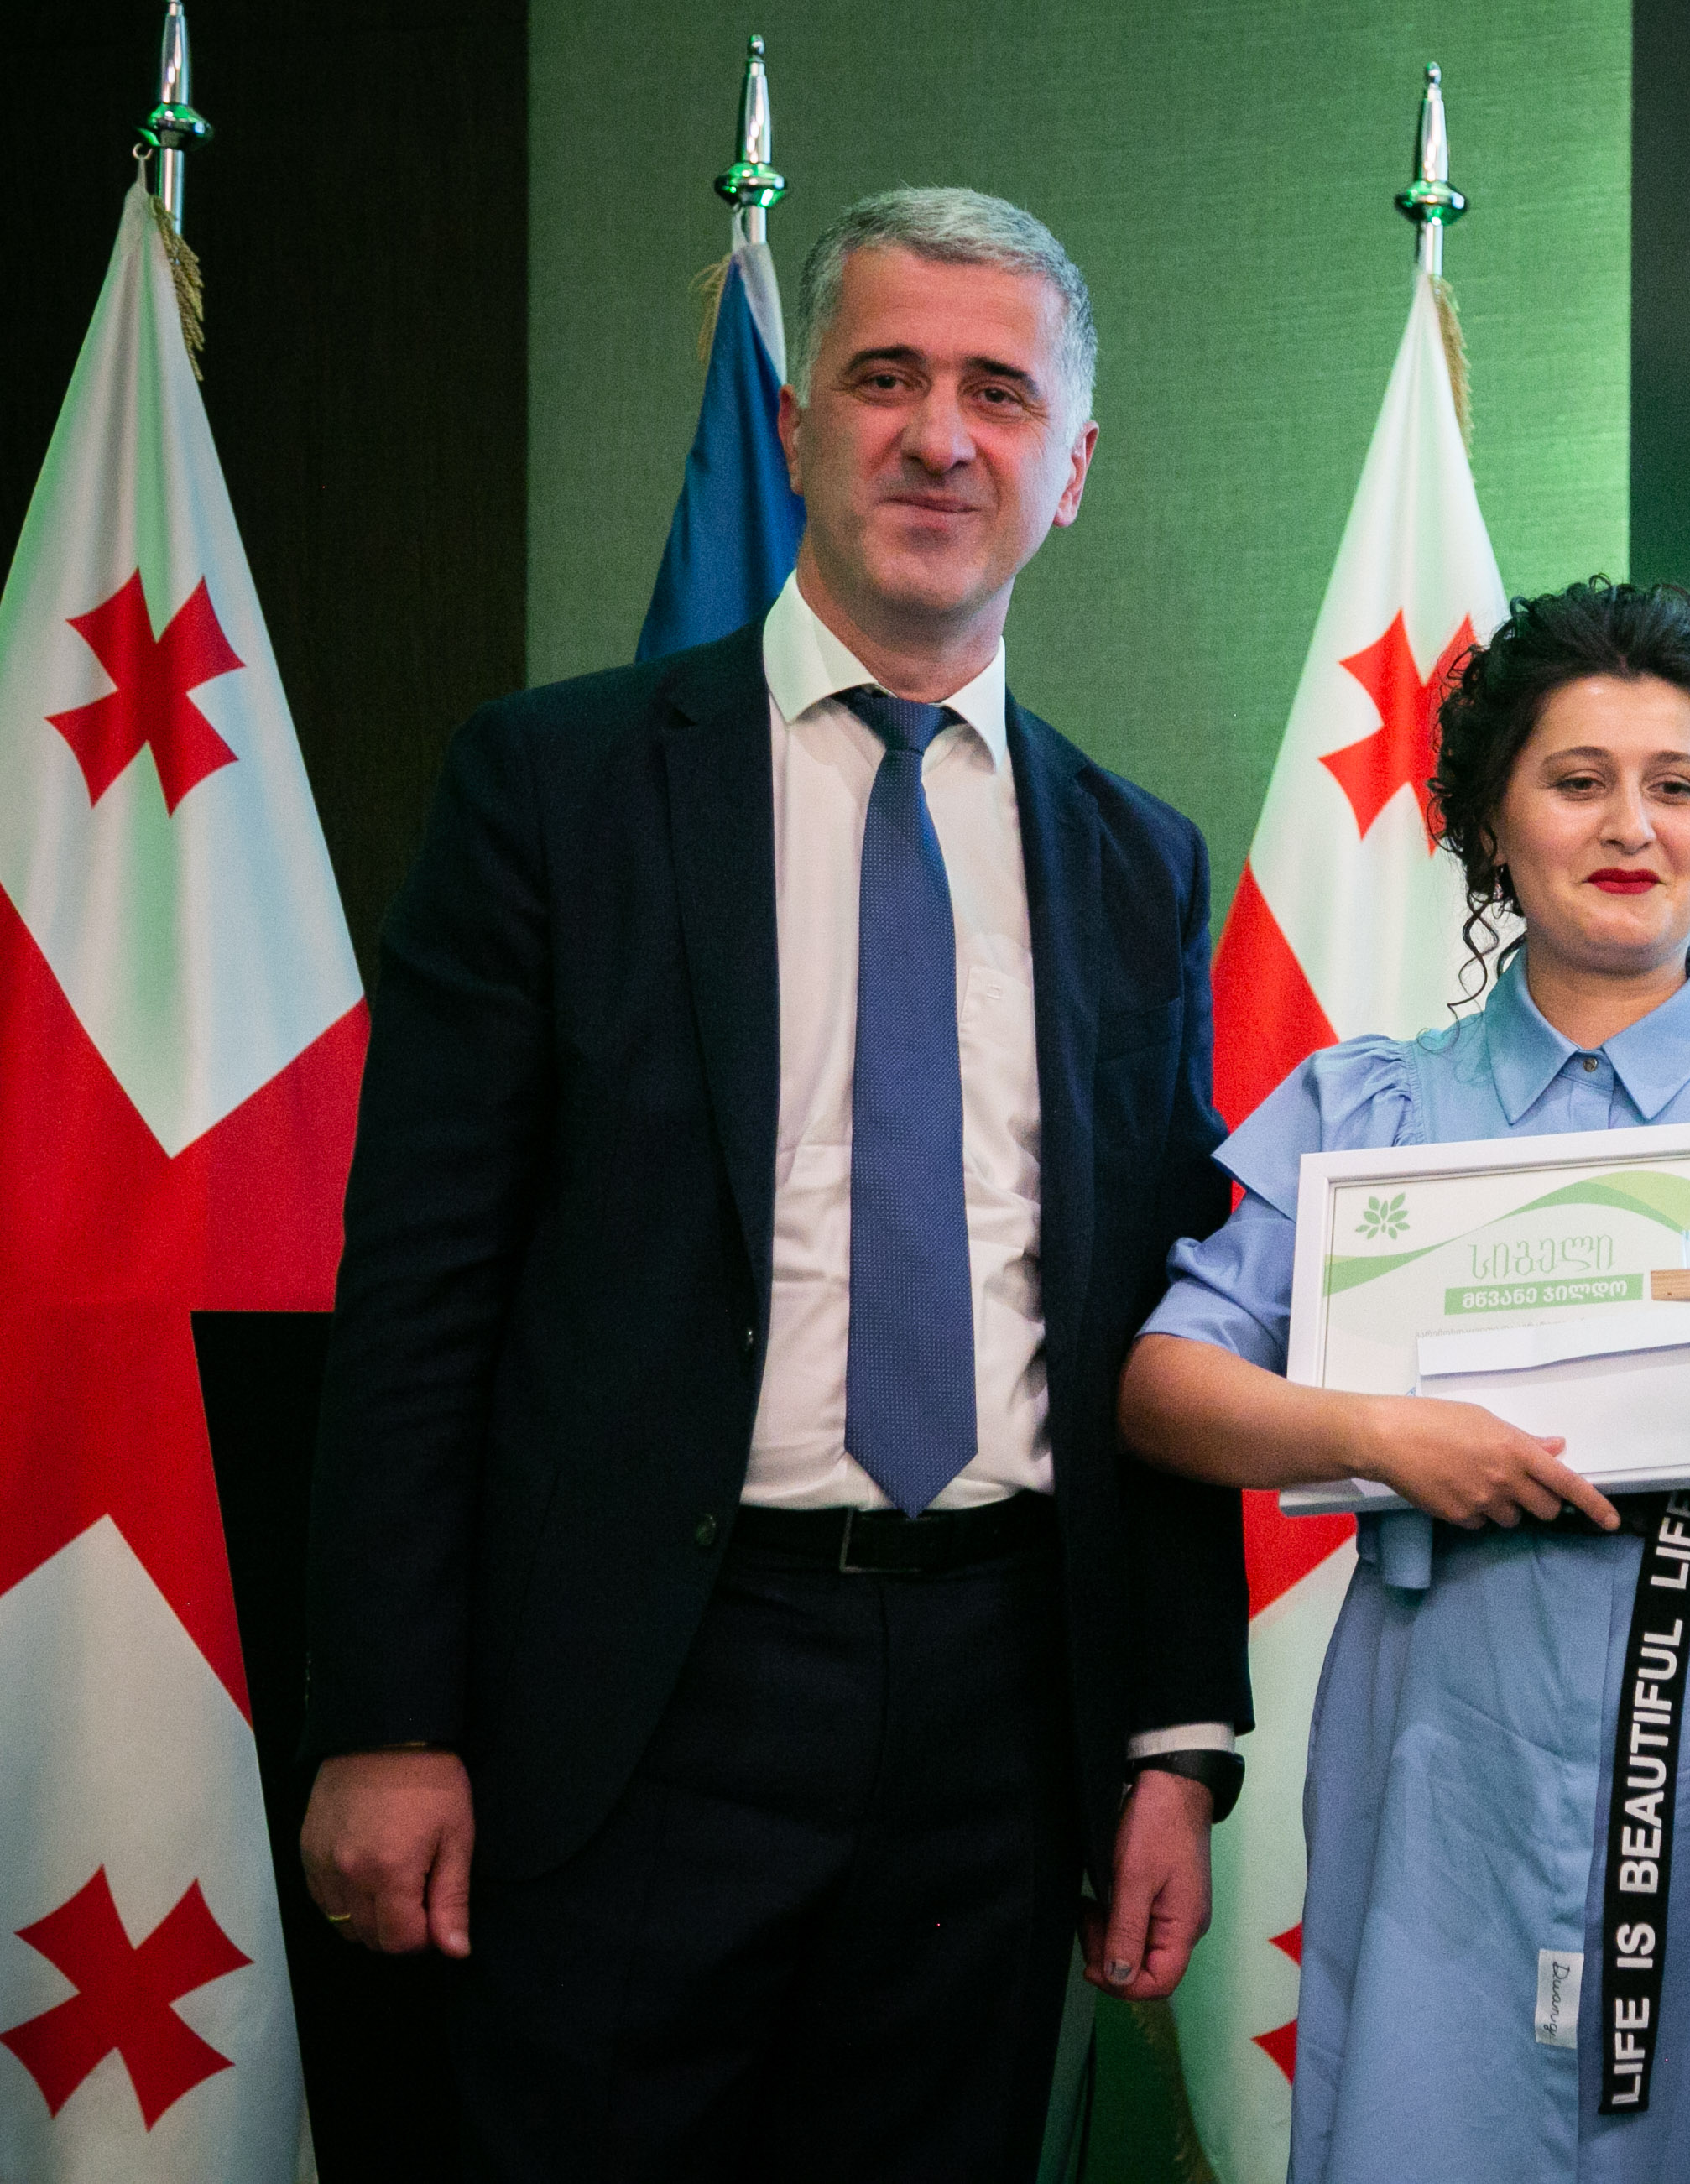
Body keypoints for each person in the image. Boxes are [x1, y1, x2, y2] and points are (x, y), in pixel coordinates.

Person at [297, 188, 1249, 2180]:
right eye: (885, 379)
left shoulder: (1137, 863)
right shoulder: (551, 791)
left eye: (999, 395)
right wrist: (385, 1717)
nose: (939, 438)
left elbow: (1158, 1326)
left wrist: (1171, 1740)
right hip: (635, 1701)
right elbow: (419, 1293)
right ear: (799, 427)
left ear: (1072, 469)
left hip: (1000, 1722)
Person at [1117, 578, 1690, 2184]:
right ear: (1493, 826)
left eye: (1676, 785)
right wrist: (1382, 1436)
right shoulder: (1370, 1107)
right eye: (1579, 782)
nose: (1630, 825)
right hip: (1454, 1731)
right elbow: (1161, 1386)